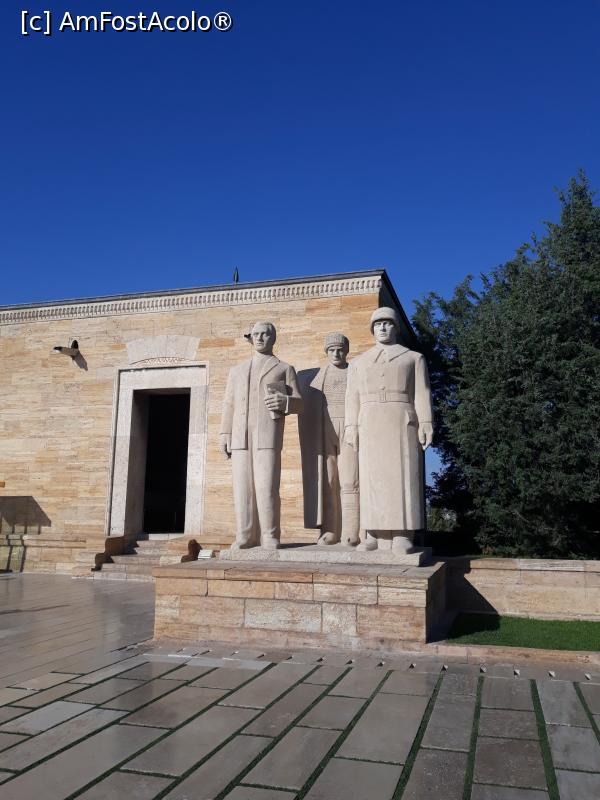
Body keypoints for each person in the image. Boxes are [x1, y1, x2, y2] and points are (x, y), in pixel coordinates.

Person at [344, 307, 433, 552]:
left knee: (402, 476)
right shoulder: (358, 363)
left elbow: (422, 393)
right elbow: (352, 397)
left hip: (401, 420)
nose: (382, 328)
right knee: (371, 477)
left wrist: (426, 422)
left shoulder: (413, 358)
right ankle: (372, 533)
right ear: (372, 329)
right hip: (369, 421)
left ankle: (402, 533)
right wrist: (351, 426)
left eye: (388, 323)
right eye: (378, 324)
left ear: (396, 327)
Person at [220, 321, 303, 549]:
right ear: (250, 338)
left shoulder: (284, 368)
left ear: (272, 338)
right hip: (240, 435)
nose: (259, 338)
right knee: (242, 488)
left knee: (267, 487)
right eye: (255, 334)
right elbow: (229, 403)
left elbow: (299, 403)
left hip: (268, 434)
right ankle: (245, 535)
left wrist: (285, 401)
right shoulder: (237, 371)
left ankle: (269, 534)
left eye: (264, 334)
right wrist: (225, 432)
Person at [298, 333, 360, 546]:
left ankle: (351, 530)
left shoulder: (355, 372)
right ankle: (330, 529)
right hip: (324, 428)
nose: (336, 353)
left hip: (350, 427)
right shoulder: (314, 376)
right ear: (326, 352)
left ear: (346, 351)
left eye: (340, 350)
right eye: (331, 350)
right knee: (329, 480)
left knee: (350, 480)